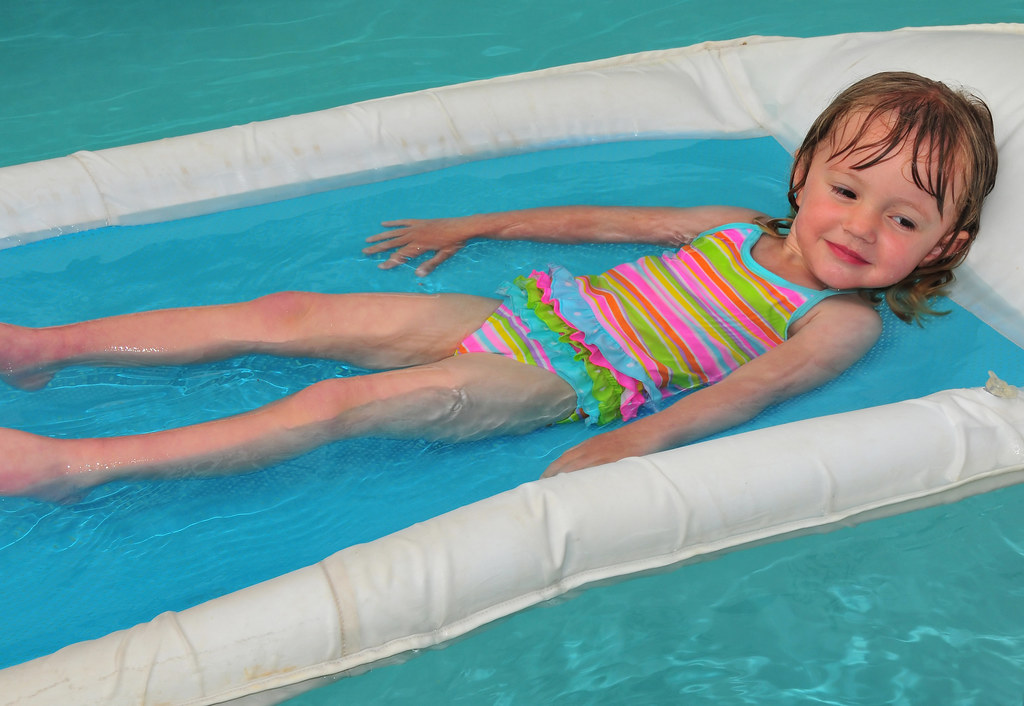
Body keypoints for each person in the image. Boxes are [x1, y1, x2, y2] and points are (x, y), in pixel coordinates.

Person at [0, 71, 998, 498]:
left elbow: (751, 389)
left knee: (340, 401)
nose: (860, 225)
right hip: (529, 315)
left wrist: (623, 445)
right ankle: (45, 351)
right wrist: (478, 222)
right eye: (846, 187)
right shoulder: (738, 229)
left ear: (941, 244)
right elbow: (603, 224)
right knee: (285, 316)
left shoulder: (837, 323)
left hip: (567, 381)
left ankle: (75, 465)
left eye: (902, 219)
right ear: (804, 173)